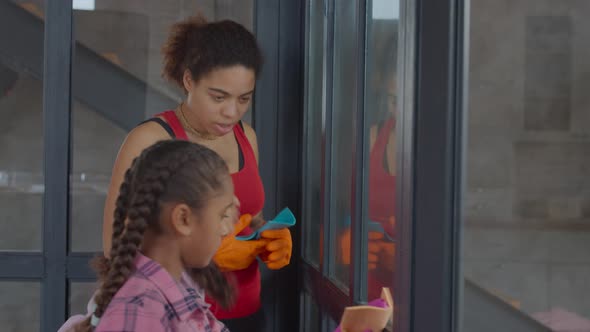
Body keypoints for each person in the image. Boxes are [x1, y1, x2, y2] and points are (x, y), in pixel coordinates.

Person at [101, 15, 292, 331]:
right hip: (177, 318)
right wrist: (207, 255)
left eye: (244, 98)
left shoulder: (247, 137)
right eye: (219, 97)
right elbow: (115, 246)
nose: (232, 112)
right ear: (189, 81)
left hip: (248, 311)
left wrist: (268, 236)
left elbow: (244, 218)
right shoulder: (150, 140)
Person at [75, 140, 236, 331]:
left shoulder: (178, 287)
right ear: (183, 219)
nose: (226, 229)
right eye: (222, 215)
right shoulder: (139, 313)